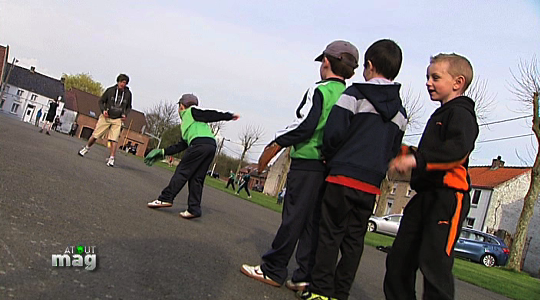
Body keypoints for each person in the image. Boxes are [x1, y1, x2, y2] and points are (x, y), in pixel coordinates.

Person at [241, 40, 359, 292]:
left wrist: (275, 143)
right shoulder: (350, 96)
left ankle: (273, 269)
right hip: (329, 166)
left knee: (293, 217)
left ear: (326, 62)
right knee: (312, 223)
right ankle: (303, 275)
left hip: (307, 162)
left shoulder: (321, 90)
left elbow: (305, 124)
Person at [297, 39, 406, 300]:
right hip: (370, 184)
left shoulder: (354, 95)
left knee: (329, 235)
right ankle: (339, 293)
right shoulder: (400, 113)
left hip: (343, 176)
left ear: (369, 65)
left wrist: (331, 157)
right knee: (354, 241)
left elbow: (334, 133)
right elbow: (393, 150)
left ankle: (320, 291)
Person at [384, 53, 479, 300]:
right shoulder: (440, 115)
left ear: (458, 82)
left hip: (448, 198)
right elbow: (430, 156)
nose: (428, 82)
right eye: (427, 76)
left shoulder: (461, 114)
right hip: (424, 196)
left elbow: (457, 150)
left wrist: (417, 159)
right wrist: (408, 154)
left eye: (435, 77)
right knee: (399, 260)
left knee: (434, 264)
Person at [145, 94, 239, 219]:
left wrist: (228, 116)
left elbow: (210, 114)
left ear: (182, 106)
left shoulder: (191, 111)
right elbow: (181, 145)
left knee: (182, 172)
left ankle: (166, 198)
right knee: (197, 178)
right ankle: (194, 209)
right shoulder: (187, 124)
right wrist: (162, 152)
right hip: (210, 146)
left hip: (199, 145)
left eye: (179, 107)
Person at [78, 74, 132, 167]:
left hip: (117, 119)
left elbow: (129, 106)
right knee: (95, 135)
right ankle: (86, 148)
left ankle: (112, 158)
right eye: (122, 82)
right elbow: (101, 101)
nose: (123, 84)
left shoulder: (128, 94)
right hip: (106, 117)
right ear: (118, 82)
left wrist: (125, 114)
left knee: (114, 139)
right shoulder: (110, 91)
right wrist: (103, 110)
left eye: (125, 83)